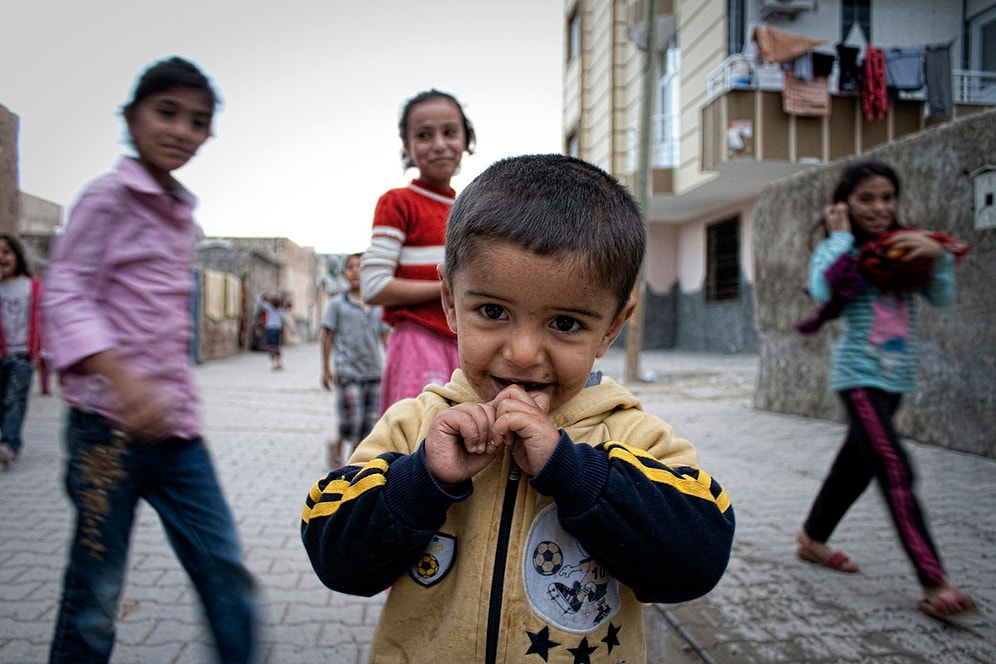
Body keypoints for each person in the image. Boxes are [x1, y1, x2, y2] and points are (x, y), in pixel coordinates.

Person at [302, 154, 736, 663]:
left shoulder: (634, 437)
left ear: (612, 327)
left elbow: (698, 561)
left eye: (566, 323)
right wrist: (421, 479)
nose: (524, 353)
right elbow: (336, 558)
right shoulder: (413, 425)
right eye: (492, 311)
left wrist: (573, 471)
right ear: (450, 302)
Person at [41, 56, 257, 663]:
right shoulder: (106, 198)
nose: (181, 131)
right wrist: (119, 377)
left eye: (198, 121)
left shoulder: (180, 212)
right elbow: (65, 290)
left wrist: (172, 400)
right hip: (105, 433)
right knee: (96, 590)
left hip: (175, 432)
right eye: (167, 113)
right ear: (131, 117)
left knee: (224, 568)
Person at [795, 159, 975, 620]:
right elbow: (822, 289)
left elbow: (940, 297)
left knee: (853, 469)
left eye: (887, 197)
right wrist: (839, 236)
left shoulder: (905, 248)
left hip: (896, 380)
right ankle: (934, 581)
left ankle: (813, 538)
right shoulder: (845, 253)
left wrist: (937, 258)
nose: (879, 207)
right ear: (845, 204)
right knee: (895, 469)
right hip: (860, 380)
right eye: (866, 198)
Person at [360, 88, 475, 413]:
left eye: (450, 132)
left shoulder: (470, 209)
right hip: (417, 343)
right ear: (407, 146)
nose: (439, 144)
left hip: (465, 347)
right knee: (417, 432)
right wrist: (448, 289)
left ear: (466, 139)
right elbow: (373, 286)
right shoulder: (398, 203)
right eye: (424, 135)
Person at [320, 252, 390, 467]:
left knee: (369, 423)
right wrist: (326, 369)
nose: (355, 271)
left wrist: (391, 367)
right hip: (347, 371)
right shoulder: (337, 304)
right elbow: (327, 336)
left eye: (360, 266)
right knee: (352, 419)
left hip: (374, 372)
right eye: (350, 267)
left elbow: (385, 337)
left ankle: (353, 462)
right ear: (344, 273)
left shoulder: (378, 304)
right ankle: (340, 448)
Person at [0, 233, 43, 468]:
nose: (1, 258)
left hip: (22, 355)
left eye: (6, 252)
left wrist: (38, 349)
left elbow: (42, 318)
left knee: (14, 400)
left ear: (17, 256)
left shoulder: (31, 286)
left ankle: (10, 443)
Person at [258, 292, 293, 370]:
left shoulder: (269, 307)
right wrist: (291, 329)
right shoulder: (280, 310)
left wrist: (262, 295)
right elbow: (286, 320)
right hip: (277, 329)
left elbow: (259, 301)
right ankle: (279, 363)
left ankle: (274, 364)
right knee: (277, 346)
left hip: (270, 329)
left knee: (271, 347)